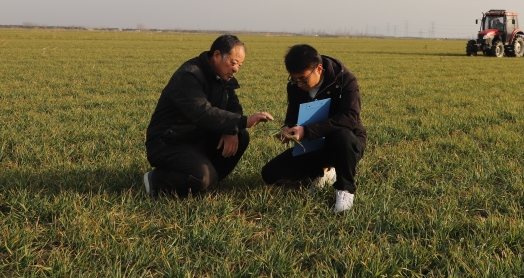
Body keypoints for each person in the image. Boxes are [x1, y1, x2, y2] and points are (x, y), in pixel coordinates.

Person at [143, 35, 274, 197]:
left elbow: (233, 106)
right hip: (169, 142)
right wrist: (243, 121)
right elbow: (202, 112)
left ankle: (208, 180)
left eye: (240, 65)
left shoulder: (223, 77)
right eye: (233, 63)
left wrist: (232, 130)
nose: (236, 69)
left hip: (198, 138)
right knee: (202, 178)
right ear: (217, 55)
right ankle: (155, 180)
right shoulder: (189, 75)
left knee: (241, 135)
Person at [261, 44, 366, 213]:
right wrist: (288, 129)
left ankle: (345, 189)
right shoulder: (294, 86)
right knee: (270, 173)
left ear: (319, 69)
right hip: (313, 145)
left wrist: (307, 130)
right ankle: (324, 172)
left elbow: (350, 117)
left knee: (343, 137)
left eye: (303, 79)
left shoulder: (345, 80)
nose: (298, 84)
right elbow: (293, 116)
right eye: (294, 79)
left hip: (346, 146)